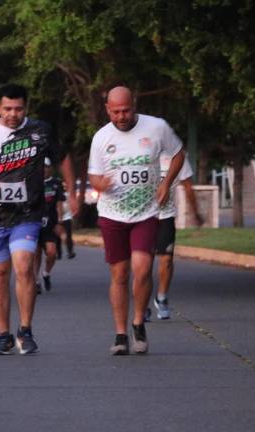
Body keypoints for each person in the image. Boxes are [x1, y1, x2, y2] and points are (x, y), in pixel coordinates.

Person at [0, 83, 77, 356]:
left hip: (28, 213)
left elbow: (63, 158)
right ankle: (4, 334)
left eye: (19, 108)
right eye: (8, 108)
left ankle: (25, 330)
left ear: (26, 108)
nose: (13, 114)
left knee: (24, 267)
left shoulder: (39, 130)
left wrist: (73, 191)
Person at [87, 86, 185, 356]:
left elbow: (178, 153)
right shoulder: (101, 137)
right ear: (108, 109)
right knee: (119, 274)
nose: (122, 116)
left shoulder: (156, 127)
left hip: (146, 212)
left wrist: (166, 183)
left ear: (135, 105)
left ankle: (138, 322)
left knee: (142, 270)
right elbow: (94, 176)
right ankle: (120, 334)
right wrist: (101, 184)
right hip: (112, 214)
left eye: (126, 110)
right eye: (116, 111)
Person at [150, 153, 201, 320]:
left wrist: (195, 212)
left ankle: (162, 297)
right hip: (143, 217)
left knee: (166, 260)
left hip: (166, 216)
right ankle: (142, 304)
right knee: (143, 264)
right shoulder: (139, 151)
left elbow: (187, 186)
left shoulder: (177, 156)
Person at [34, 158, 65, 294]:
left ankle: (46, 273)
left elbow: (59, 204)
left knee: (52, 252)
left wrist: (60, 222)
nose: (44, 169)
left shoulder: (56, 183)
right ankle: (35, 281)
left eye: (47, 167)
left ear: (51, 168)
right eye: (42, 167)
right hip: (35, 223)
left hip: (51, 224)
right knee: (36, 253)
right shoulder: (33, 183)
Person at [56, 187, 76, 260]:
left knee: (68, 235)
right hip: (57, 217)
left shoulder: (67, 195)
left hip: (67, 217)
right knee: (57, 237)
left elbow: (72, 204)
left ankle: (70, 252)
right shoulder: (55, 195)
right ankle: (59, 253)